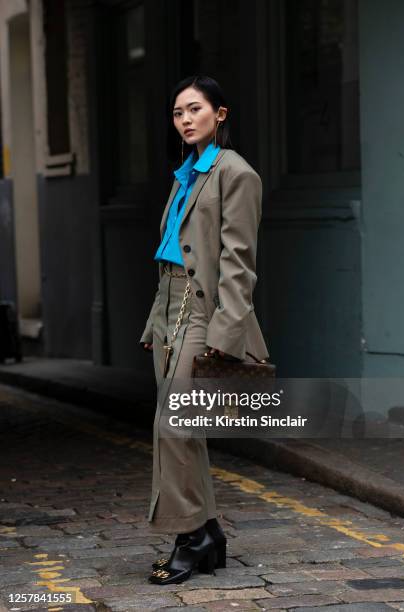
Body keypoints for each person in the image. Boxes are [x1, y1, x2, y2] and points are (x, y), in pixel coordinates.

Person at [140, 75, 269, 585]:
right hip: (169, 305)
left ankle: (189, 539)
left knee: (171, 425)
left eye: (195, 109)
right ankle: (209, 532)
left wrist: (225, 335)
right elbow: (172, 248)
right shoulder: (185, 174)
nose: (185, 119)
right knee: (186, 432)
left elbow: (239, 263)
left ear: (221, 114)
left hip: (204, 311)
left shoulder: (237, 173)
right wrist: (154, 316)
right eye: (177, 112)